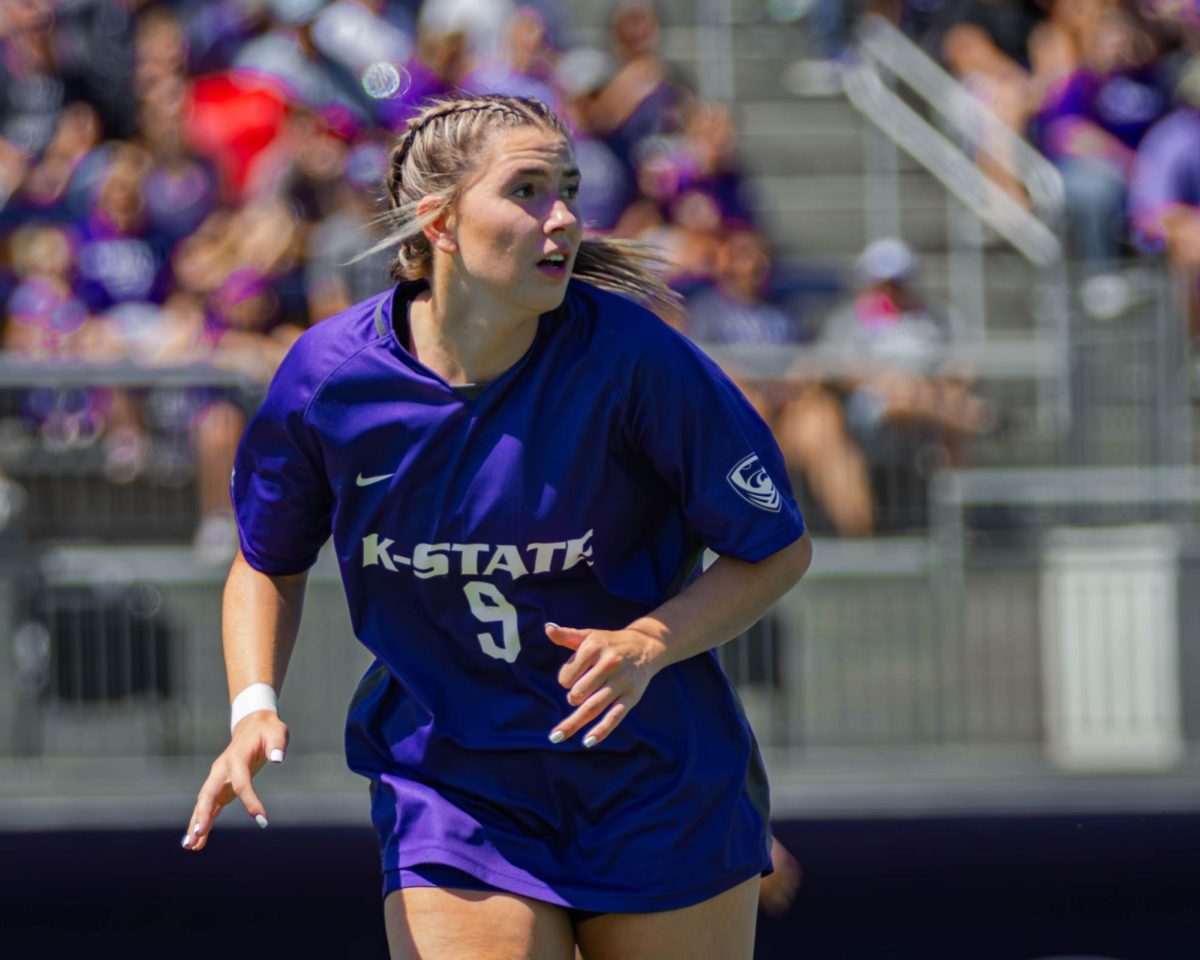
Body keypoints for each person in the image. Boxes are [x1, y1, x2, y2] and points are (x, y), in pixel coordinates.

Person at [181, 93, 812, 960]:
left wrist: (650, 642)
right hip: (454, 783)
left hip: (657, 784)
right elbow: (266, 560)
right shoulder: (330, 379)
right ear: (439, 222)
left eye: (569, 189)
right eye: (526, 191)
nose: (563, 219)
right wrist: (253, 705)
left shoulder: (636, 359)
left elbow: (773, 549)